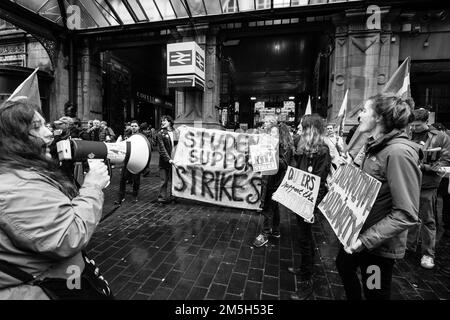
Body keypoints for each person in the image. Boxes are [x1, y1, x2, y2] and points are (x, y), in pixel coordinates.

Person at [0, 99, 112, 299]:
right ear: (12, 139)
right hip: (46, 289)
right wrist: (93, 186)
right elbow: (69, 236)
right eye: (37, 127)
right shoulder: (16, 188)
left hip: (55, 280)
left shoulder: (20, 174)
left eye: (46, 124)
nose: (48, 132)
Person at [336, 93, 421, 300]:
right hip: (357, 233)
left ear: (379, 118)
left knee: (374, 290)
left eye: (364, 111)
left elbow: (406, 213)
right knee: (343, 266)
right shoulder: (371, 145)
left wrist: (365, 241)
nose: (359, 116)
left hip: (377, 247)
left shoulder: (399, 153)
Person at [289, 114, 332, 300]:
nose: (300, 131)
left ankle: (307, 282)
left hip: (309, 203)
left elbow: (320, 181)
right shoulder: (305, 149)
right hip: (301, 199)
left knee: (306, 240)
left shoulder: (322, 151)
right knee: (303, 238)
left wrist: (312, 208)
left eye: (303, 128)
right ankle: (304, 268)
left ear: (311, 130)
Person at [406, 109, 450, 269]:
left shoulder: (441, 137)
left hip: (428, 183)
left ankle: (428, 254)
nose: (414, 128)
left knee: (428, 219)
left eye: (417, 125)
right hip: (409, 181)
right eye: (412, 125)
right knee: (408, 214)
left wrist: (423, 166)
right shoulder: (408, 133)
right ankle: (408, 246)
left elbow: (445, 162)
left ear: (426, 122)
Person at [253, 122, 294, 247]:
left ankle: (264, 234)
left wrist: (271, 154)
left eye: (274, 133)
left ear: (280, 135)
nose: (271, 135)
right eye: (270, 133)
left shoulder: (285, 147)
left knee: (268, 208)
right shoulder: (269, 145)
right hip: (268, 181)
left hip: (276, 183)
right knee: (274, 207)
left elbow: (284, 164)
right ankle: (275, 230)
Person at [115, 120, 141, 205]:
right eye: (132, 126)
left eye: (135, 126)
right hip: (127, 160)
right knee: (123, 179)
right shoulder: (127, 135)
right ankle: (120, 197)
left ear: (138, 127)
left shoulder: (141, 136)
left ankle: (135, 195)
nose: (133, 127)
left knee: (136, 180)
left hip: (136, 160)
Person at [157, 115, 177, 204]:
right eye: (162, 121)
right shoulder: (160, 133)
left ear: (169, 122)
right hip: (165, 161)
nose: (162, 122)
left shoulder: (175, 132)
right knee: (164, 180)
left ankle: (173, 197)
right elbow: (162, 148)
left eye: (164, 121)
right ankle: (162, 198)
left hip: (175, 160)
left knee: (174, 180)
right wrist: (169, 159)